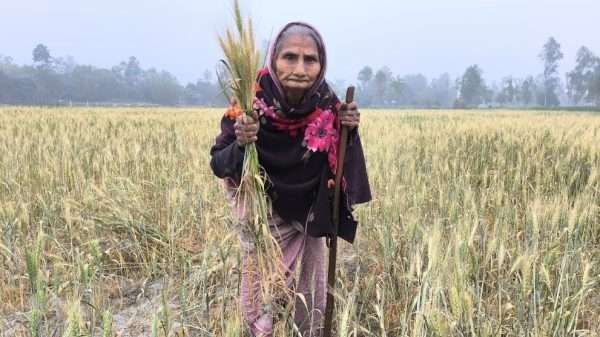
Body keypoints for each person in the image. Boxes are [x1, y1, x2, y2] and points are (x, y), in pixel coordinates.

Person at [210, 21, 371, 337]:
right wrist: (242, 143)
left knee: (311, 292)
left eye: (310, 59)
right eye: (290, 57)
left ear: (321, 64)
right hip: (263, 218)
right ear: (274, 59)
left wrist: (348, 130)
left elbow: (340, 166)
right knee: (260, 294)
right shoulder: (248, 103)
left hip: (308, 215)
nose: (300, 68)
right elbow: (219, 164)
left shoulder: (328, 105)